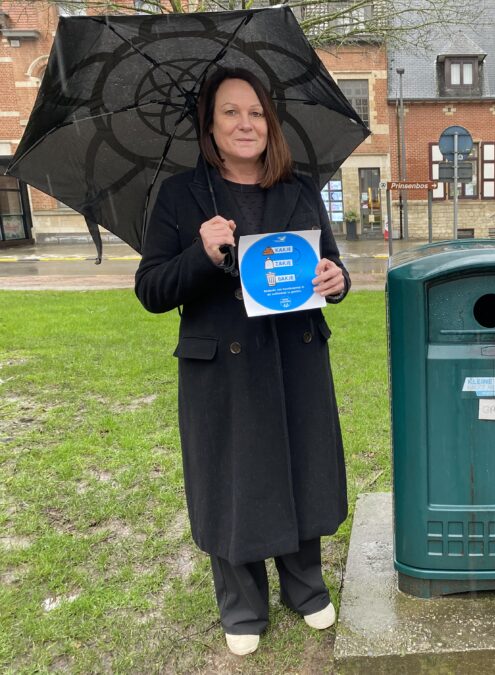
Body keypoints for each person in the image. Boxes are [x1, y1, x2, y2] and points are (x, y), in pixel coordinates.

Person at [135, 68, 350, 656]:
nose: (245, 123)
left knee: (299, 464)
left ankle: (305, 588)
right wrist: (201, 255)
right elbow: (151, 290)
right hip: (220, 367)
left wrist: (337, 279)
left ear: (270, 122)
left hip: (295, 354)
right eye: (230, 112)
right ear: (209, 124)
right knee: (231, 476)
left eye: (255, 111)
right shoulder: (181, 195)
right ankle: (242, 605)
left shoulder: (300, 188)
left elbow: (329, 266)